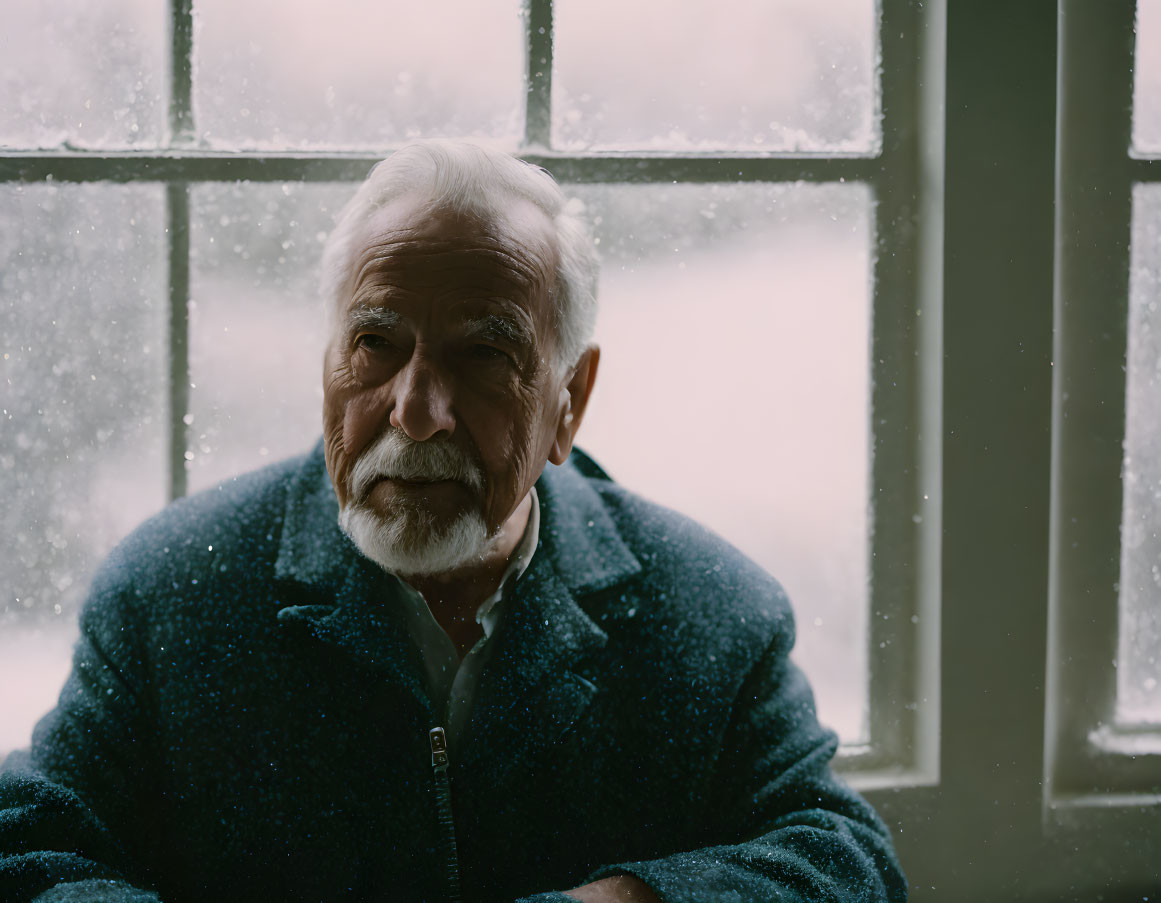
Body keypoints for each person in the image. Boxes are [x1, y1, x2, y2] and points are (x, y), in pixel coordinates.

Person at [0, 141, 907, 903]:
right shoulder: (168, 593)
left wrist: (634, 900)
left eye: (482, 354)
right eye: (375, 344)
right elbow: (27, 845)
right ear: (327, 363)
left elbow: (846, 855)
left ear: (570, 401)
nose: (416, 410)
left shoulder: (712, 612)